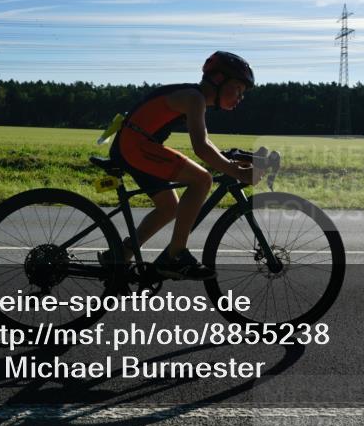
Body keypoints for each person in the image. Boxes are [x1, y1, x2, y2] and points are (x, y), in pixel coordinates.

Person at [106, 51, 258, 280]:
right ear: (218, 80)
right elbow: (201, 147)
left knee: (170, 207)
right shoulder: (193, 98)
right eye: (238, 89)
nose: (240, 97)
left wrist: (229, 159)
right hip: (136, 146)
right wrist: (235, 170)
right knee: (202, 180)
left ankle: (119, 256)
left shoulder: (192, 97)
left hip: (132, 145)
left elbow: (204, 140)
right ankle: (175, 256)